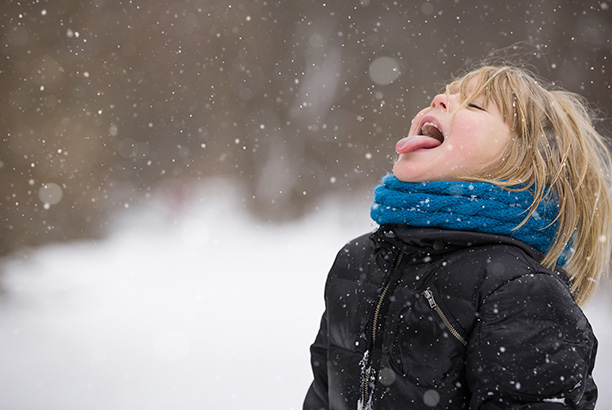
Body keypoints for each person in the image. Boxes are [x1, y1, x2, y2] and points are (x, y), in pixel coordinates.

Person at [303, 65, 612, 410]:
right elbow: (322, 396)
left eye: (476, 106)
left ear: (523, 164)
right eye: (448, 93)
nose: (440, 99)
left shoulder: (520, 290)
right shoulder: (358, 260)